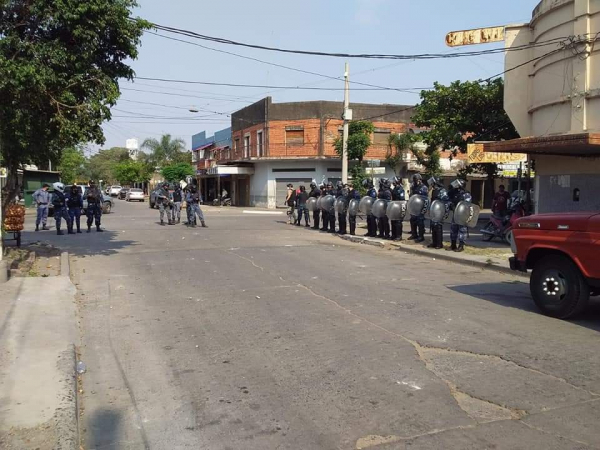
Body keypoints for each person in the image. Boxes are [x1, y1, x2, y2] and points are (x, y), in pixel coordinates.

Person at [447, 179, 470, 252]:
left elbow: (466, 204)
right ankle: (453, 245)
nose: (456, 186)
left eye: (458, 185)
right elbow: (450, 199)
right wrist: (451, 205)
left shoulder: (466, 194)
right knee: (453, 229)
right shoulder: (455, 193)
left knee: (462, 230)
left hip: (462, 215)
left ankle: (461, 246)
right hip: (455, 214)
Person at [427, 177, 448, 250]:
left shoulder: (442, 191)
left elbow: (445, 202)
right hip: (434, 210)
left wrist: (444, 213)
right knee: (433, 227)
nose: (432, 184)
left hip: (439, 211)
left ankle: (439, 244)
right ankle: (434, 242)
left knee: (438, 227)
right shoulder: (434, 190)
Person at [408, 174, 428, 242]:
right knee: (412, 220)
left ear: (419, 180)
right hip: (414, 207)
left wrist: (423, 209)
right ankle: (414, 234)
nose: (414, 182)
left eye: (415, 180)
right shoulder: (414, 187)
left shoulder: (424, 187)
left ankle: (421, 236)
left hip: (420, 207)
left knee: (420, 222)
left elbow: (425, 198)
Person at [390, 176, 405, 241]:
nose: (393, 182)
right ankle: (394, 235)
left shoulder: (401, 189)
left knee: (398, 222)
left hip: (399, 207)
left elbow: (402, 199)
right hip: (394, 207)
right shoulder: (394, 188)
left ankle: (399, 236)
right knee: (393, 221)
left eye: (394, 180)